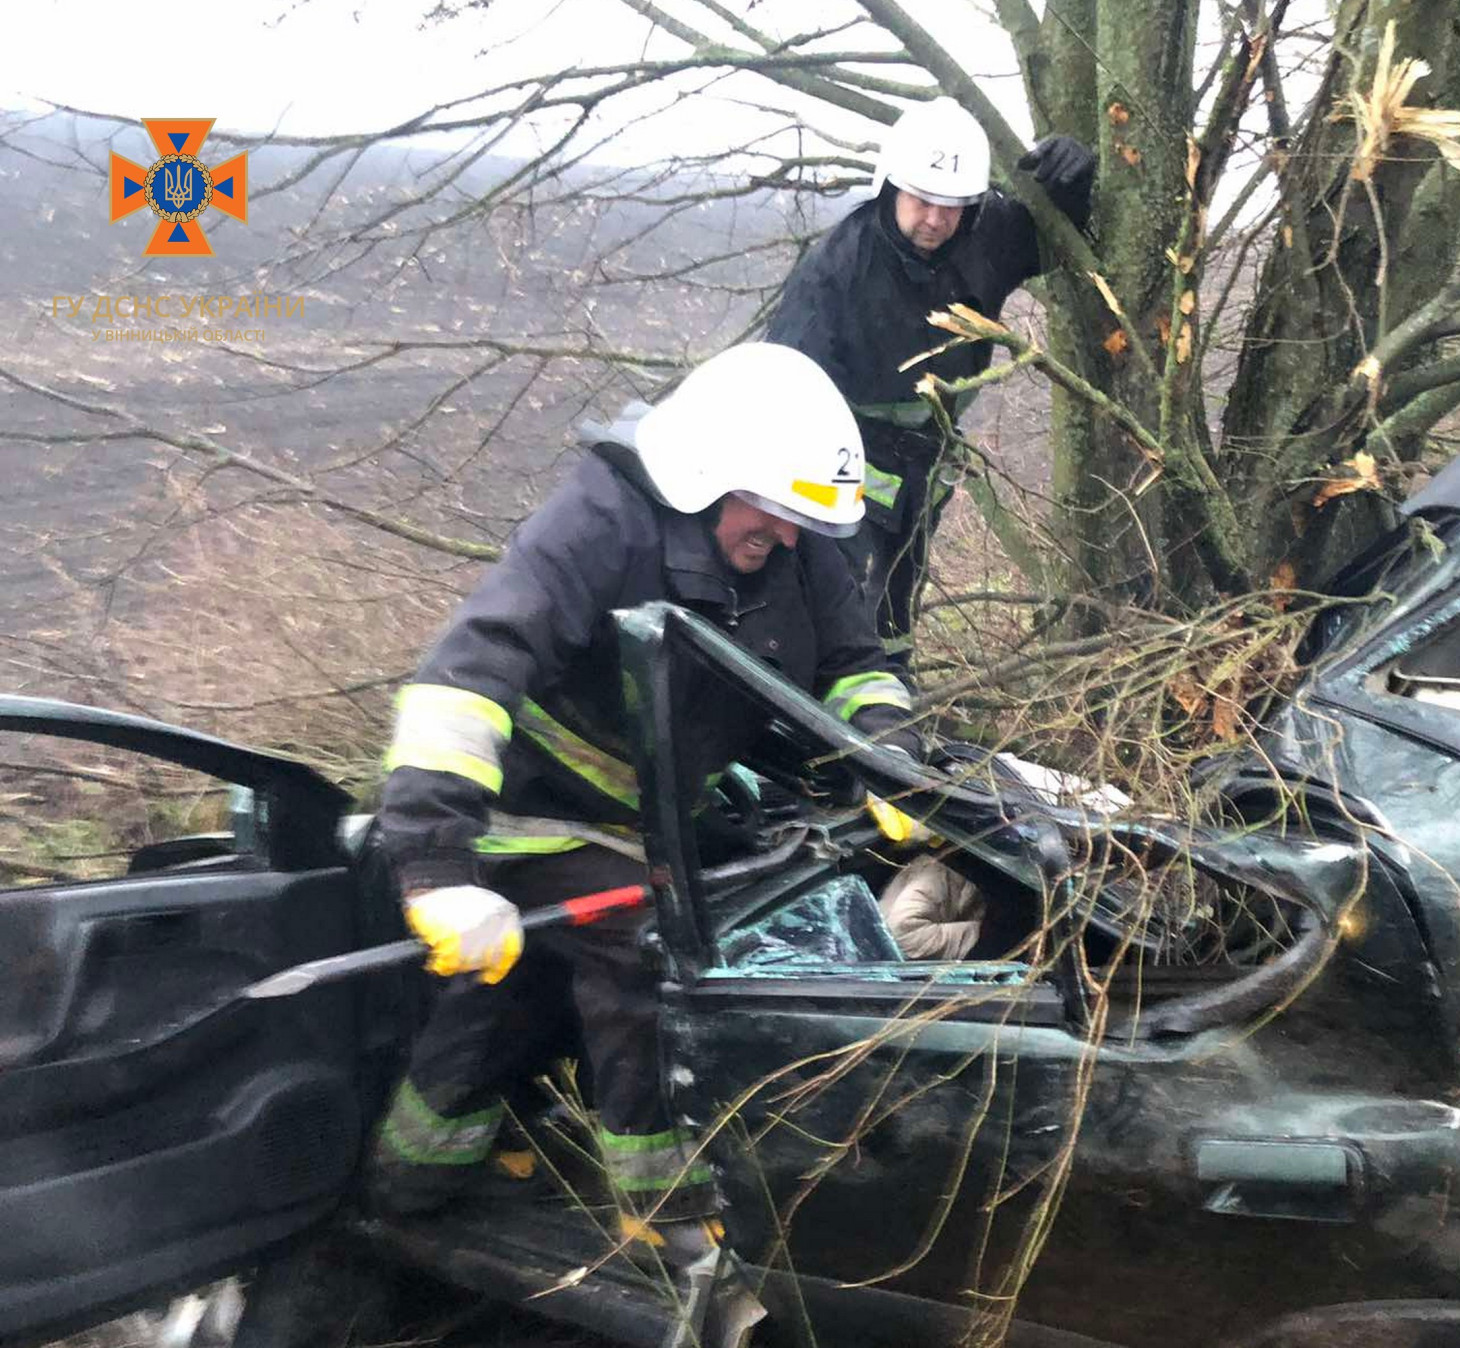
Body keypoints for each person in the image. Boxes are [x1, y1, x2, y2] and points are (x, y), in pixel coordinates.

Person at [365, 343, 918, 1252]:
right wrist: (435, 869)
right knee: (648, 952)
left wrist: (892, 760)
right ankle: (661, 1212)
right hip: (523, 818)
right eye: (774, 512)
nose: (785, 537)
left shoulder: (793, 543)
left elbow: (858, 665)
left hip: (647, 818)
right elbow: (464, 680)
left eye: (798, 522)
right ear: (706, 477)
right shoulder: (598, 521)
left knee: (504, 1001)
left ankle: (424, 1174)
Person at [767, 98, 1095, 670]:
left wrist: (1074, 181)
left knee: (895, 605)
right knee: (836, 598)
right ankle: (821, 697)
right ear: (891, 186)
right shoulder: (839, 268)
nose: (936, 220)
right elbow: (785, 383)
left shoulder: (984, 236)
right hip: (841, 459)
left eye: (952, 205)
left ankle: (890, 696)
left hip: (925, 460)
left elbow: (1053, 236)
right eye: (922, 200)